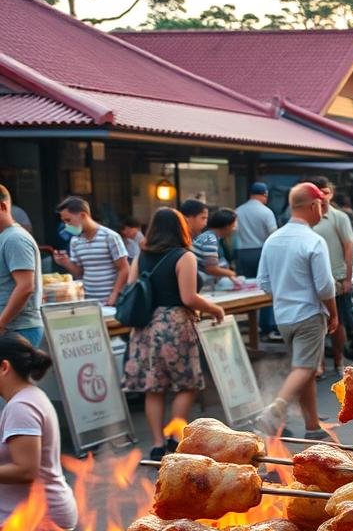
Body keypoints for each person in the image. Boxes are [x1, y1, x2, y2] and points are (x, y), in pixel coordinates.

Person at [122, 208, 226, 457]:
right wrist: (214, 308)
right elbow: (188, 297)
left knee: (154, 388)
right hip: (174, 324)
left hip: (145, 327)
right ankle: (173, 436)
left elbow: (131, 287)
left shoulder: (140, 256)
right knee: (185, 384)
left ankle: (157, 444)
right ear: (181, 228)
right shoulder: (184, 257)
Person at [257, 184, 338, 439]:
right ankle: (276, 410)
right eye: (322, 207)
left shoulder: (273, 239)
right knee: (304, 368)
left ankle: (312, 425)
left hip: (283, 316)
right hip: (309, 314)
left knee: (305, 370)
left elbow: (264, 283)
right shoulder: (313, 240)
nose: (323, 213)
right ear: (313, 205)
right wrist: (333, 313)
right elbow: (325, 286)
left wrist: (284, 296)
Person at [0, 333, 77, 531]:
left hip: (38, 521)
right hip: (35, 519)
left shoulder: (20, 406)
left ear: (4, 367)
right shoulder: (28, 398)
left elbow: (26, 469)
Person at [309, 177, 353, 378]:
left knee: (338, 324)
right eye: (318, 192)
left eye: (326, 192)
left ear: (331, 193)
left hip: (336, 278)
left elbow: (348, 247)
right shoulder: (309, 219)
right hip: (311, 279)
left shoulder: (339, 218)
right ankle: (318, 363)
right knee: (316, 323)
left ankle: (338, 360)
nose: (323, 196)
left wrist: (347, 278)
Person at [52, 196, 129, 306]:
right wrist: (65, 262)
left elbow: (124, 268)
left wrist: (115, 295)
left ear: (83, 215)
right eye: (64, 221)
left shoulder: (110, 236)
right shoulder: (75, 241)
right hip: (88, 301)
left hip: (111, 301)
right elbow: (79, 273)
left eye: (68, 220)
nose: (66, 225)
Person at [0, 187, 42, 346]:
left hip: (18, 330)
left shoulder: (14, 238)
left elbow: (25, 287)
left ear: (2, 207)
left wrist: (1, 323)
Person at [234, 183, 276, 277]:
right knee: (261, 283)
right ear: (265, 194)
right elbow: (273, 235)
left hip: (242, 252)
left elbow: (233, 232)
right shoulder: (266, 212)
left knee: (245, 283)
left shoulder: (238, 211)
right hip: (260, 252)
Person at [193, 208, 238, 290]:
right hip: (202, 284)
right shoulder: (210, 239)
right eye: (233, 225)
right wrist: (231, 273)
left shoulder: (210, 237)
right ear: (227, 226)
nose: (234, 229)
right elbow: (211, 269)